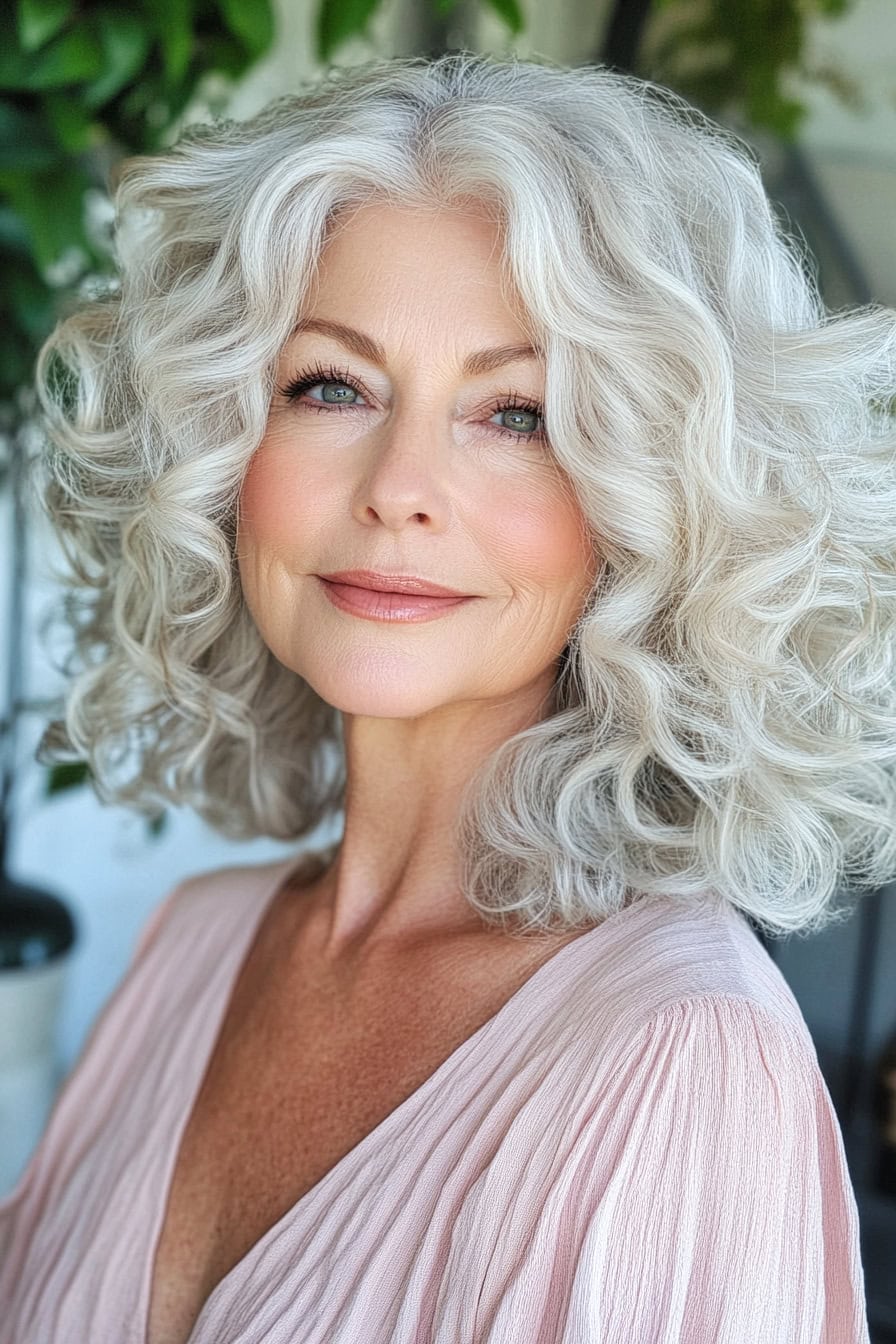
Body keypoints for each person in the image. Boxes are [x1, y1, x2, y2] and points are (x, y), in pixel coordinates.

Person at [1, 48, 893, 1344]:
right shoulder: (196, 946)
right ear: (218, 448)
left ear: (652, 508)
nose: (398, 484)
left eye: (518, 413)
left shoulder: (681, 1060)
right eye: (331, 386)